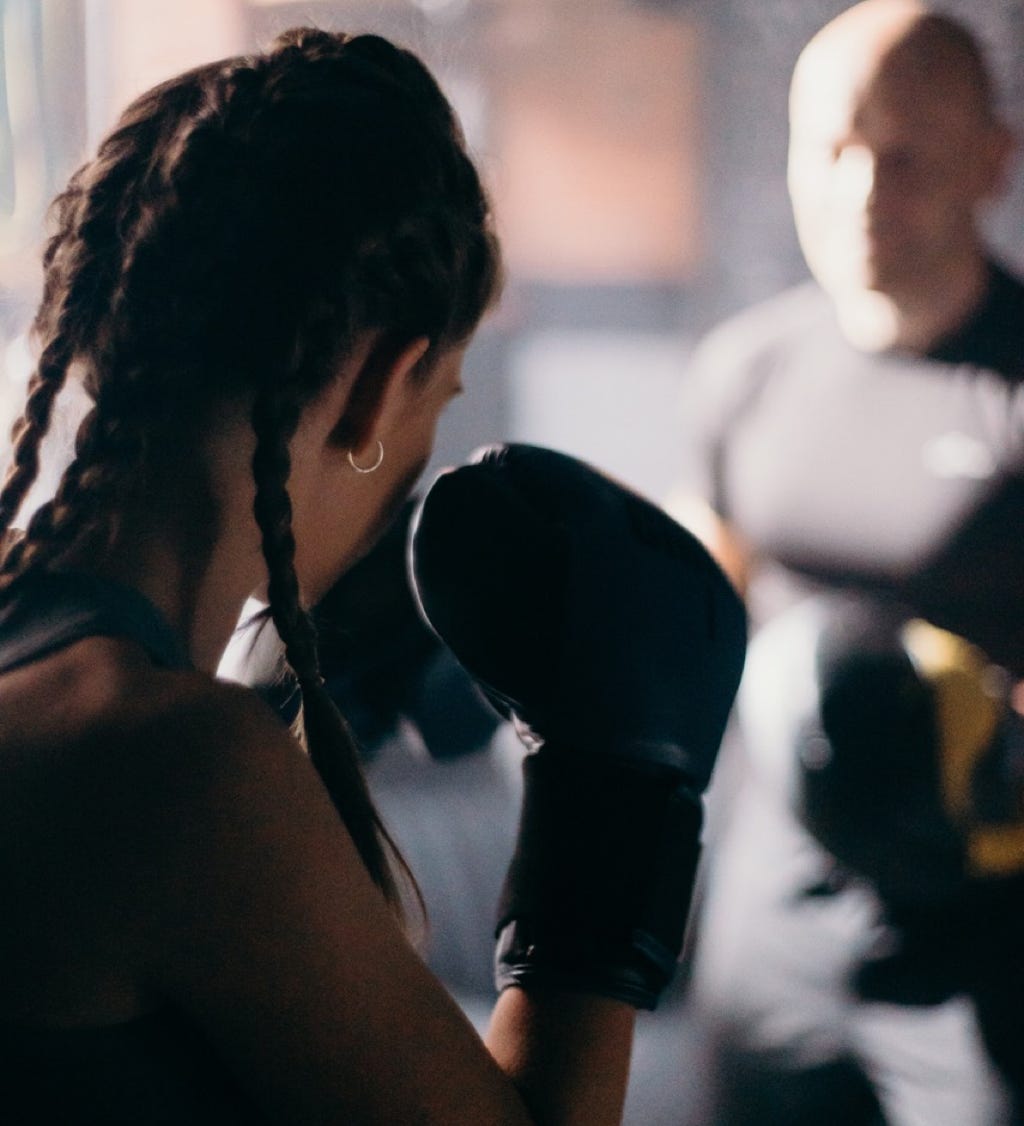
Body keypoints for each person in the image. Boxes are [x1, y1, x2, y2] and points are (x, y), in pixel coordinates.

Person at [0, 27, 747, 1124]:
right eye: (434, 402)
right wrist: (613, 786)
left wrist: (293, 691)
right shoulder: (184, 770)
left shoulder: (76, 691)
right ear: (377, 385)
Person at [667, 2, 1024, 1123]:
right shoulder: (746, 372)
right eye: (835, 147)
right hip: (769, 930)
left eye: (907, 150)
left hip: (986, 945)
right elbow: (689, 621)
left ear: (993, 161)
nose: (865, 187)